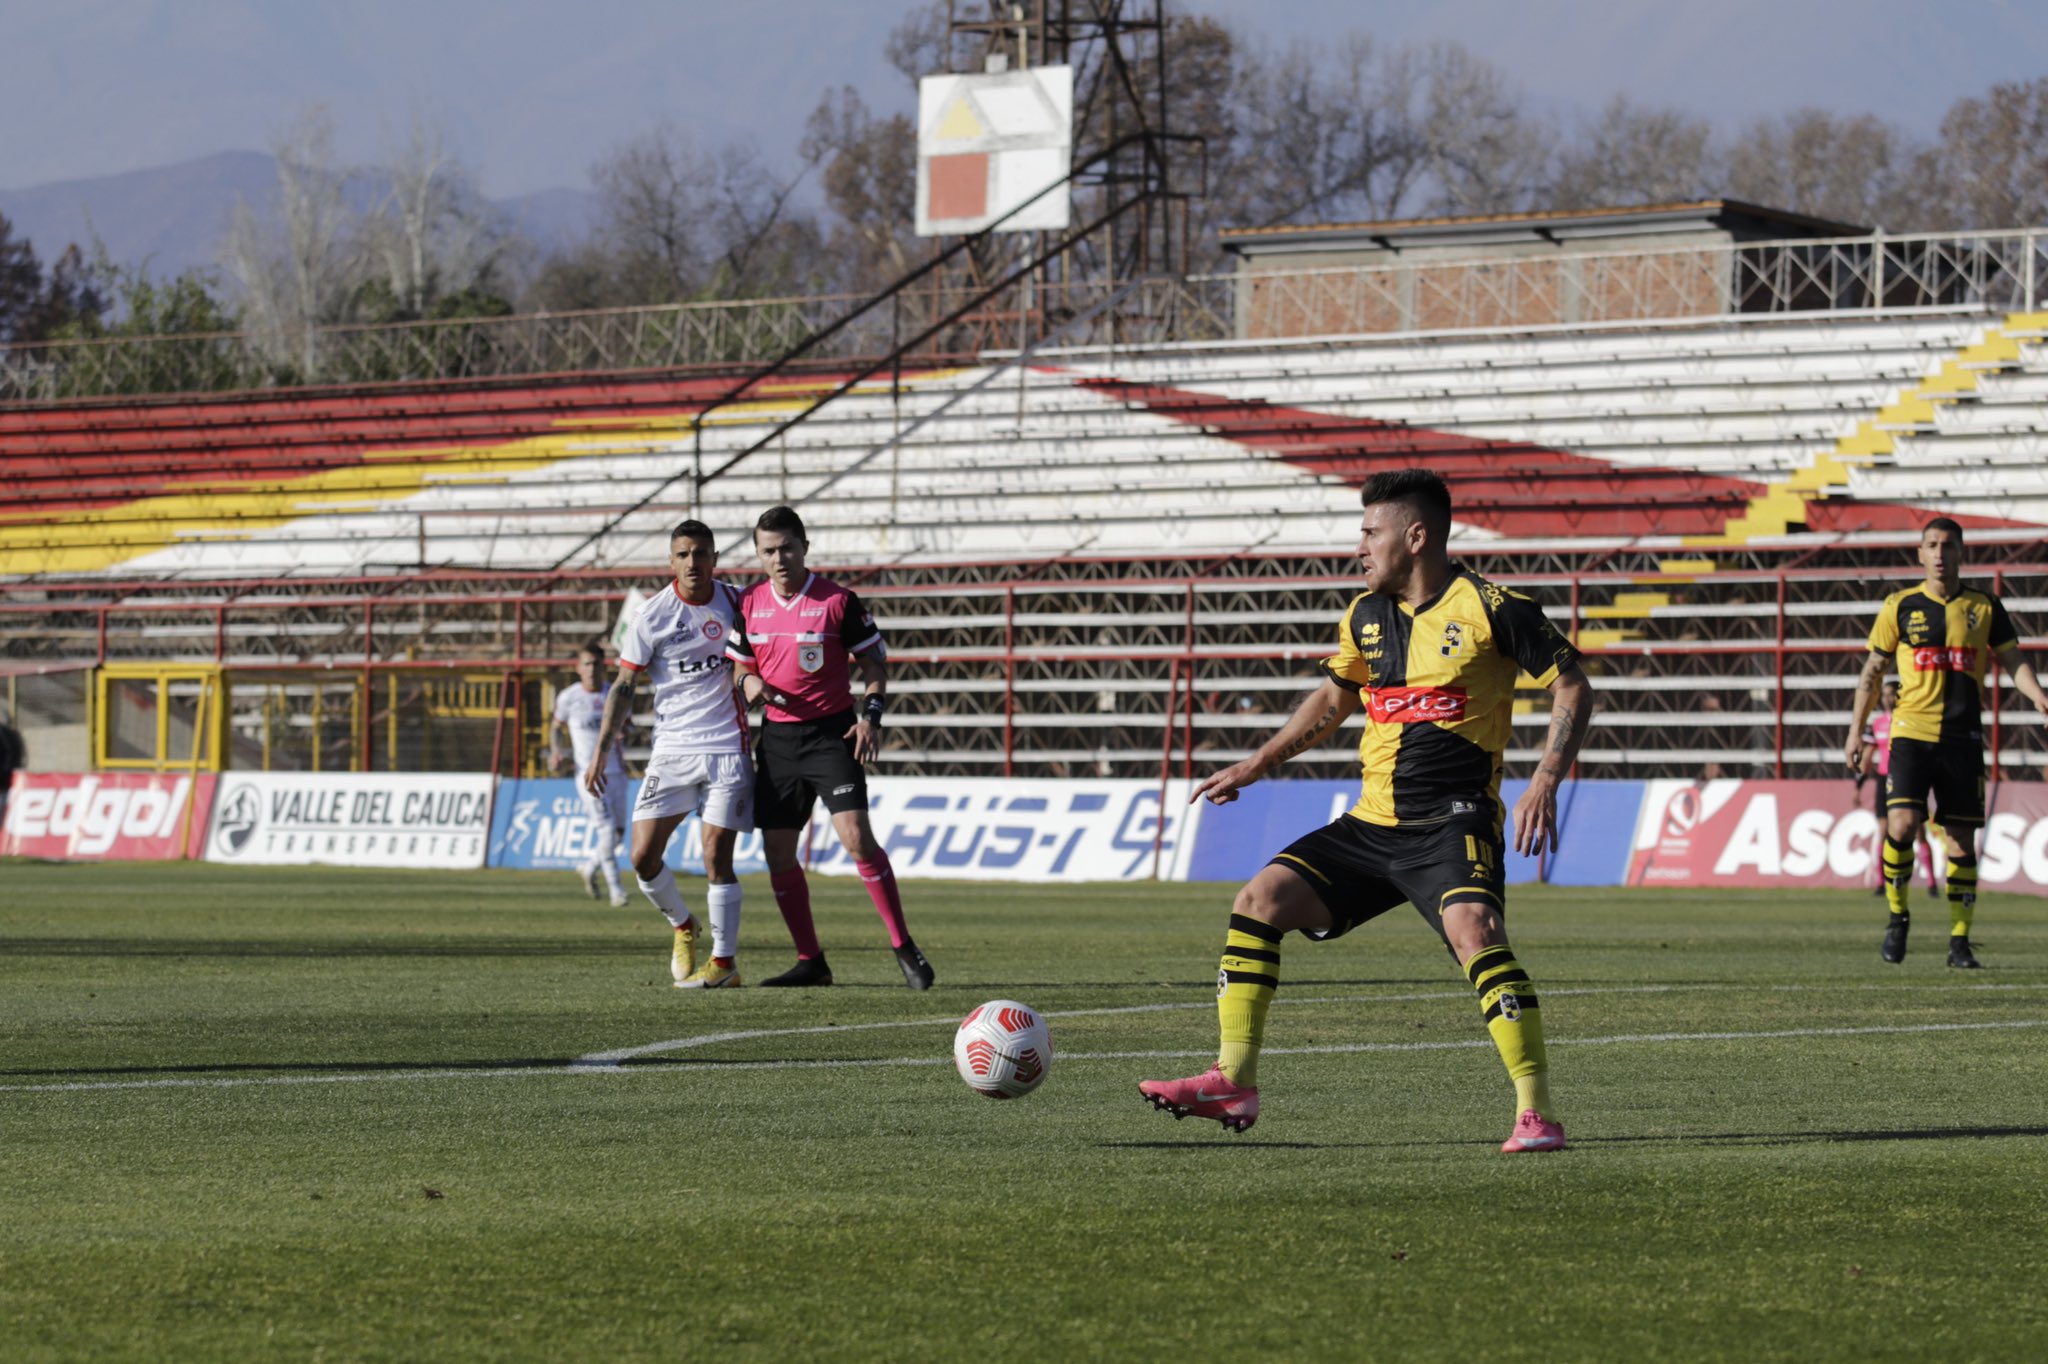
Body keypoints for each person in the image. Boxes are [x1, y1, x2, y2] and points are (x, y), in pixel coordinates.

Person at [1138, 469, 1594, 1153]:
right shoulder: (1364, 617)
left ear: (1416, 537)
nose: (1360, 546)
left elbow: (1573, 684)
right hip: (1371, 824)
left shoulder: (1494, 607)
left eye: (1370, 532)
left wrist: (1545, 779)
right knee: (1260, 898)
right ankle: (1232, 1079)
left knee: (1476, 931)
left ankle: (1538, 1113)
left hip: (1452, 822)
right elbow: (1331, 701)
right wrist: (1256, 764)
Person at [727, 504, 933, 990]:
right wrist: (748, 682)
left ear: (805, 547)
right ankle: (811, 961)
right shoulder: (750, 603)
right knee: (777, 853)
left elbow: (875, 667)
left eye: (787, 549)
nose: (779, 559)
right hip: (777, 740)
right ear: (758, 555)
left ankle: (903, 944)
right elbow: (739, 666)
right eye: (768, 551)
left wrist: (871, 718)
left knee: (857, 839)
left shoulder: (838, 601)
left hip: (832, 735)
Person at [1842, 517, 2048, 968]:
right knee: (1900, 824)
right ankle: (1898, 917)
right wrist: (1855, 730)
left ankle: (1959, 941)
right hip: (1911, 733)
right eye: (1931, 545)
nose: (1940, 553)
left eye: (1948, 545)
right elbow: (1872, 673)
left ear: (1961, 552)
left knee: (1960, 840)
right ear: (1920, 554)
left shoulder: (1985, 606)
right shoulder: (1900, 605)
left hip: (1962, 737)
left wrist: (2038, 696)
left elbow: (2013, 659)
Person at [587, 520, 753, 990]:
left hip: (726, 746)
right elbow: (623, 685)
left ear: (715, 558)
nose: (692, 563)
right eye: (683, 554)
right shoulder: (652, 615)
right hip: (673, 750)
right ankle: (683, 924)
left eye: (701, 553)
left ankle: (725, 964)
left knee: (716, 856)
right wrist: (601, 752)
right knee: (641, 856)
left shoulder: (740, 601)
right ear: (671, 561)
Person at [548, 640, 630, 909]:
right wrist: (556, 751)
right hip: (588, 774)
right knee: (606, 829)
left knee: (618, 832)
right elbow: (556, 727)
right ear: (578, 668)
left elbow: (625, 727)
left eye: (596, 664)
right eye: (587, 664)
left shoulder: (613, 694)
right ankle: (617, 891)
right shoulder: (569, 697)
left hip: (617, 773)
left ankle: (589, 866)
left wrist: (622, 731)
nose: (592, 669)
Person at [1856, 678, 1936, 898]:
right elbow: (1867, 757)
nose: (1887, 699)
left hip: (1908, 777)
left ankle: (1931, 882)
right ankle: (1882, 882)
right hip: (1884, 779)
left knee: (1918, 830)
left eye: (1891, 694)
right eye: (1884, 695)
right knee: (1882, 831)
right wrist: (1859, 786)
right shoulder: (1878, 724)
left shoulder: (1911, 721)